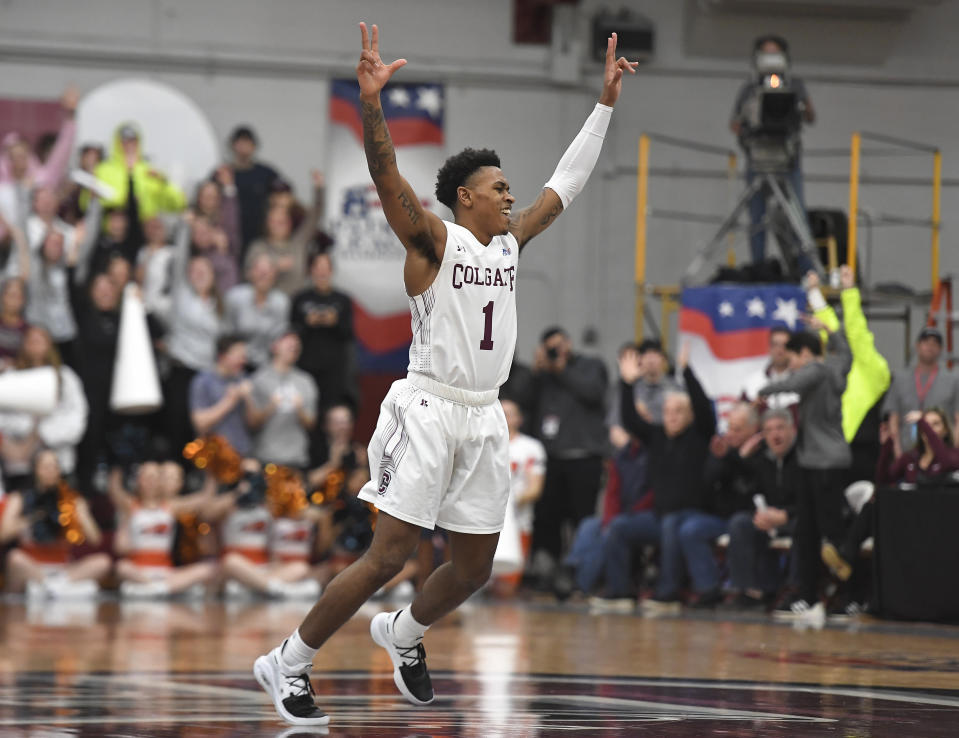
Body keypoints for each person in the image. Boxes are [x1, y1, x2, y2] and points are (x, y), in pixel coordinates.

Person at [253, 22, 636, 727]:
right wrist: (372, 104)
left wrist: (605, 102)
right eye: (497, 187)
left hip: (484, 413)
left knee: (471, 570)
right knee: (388, 556)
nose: (510, 194)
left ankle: (403, 634)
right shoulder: (433, 240)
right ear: (465, 198)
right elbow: (384, 174)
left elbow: (567, 184)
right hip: (428, 407)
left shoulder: (511, 244)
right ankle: (288, 661)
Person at [603, 343, 716, 613]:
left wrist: (686, 372)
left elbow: (702, 407)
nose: (672, 417)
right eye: (667, 412)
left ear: (689, 416)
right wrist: (628, 384)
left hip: (693, 513)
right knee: (618, 527)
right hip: (661, 516)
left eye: (678, 412)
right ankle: (619, 591)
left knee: (671, 523)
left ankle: (668, 594)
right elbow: (630, 421)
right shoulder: (656, 437)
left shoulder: (699, 436)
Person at [759, 323, 851, 620]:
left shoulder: (816, 370)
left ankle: (848, 596)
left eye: (793, 356)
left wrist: (762, 390)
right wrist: (832, 332)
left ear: (804, 354)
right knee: (811, 532)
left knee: (827, 536)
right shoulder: (835, 369)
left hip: (820, 463)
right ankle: (811, 597)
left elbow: (794, 383)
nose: (791, 363)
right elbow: (847, 354)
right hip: (822, 461)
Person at [529, 326, 608, 574]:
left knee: (583, 519)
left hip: (584, 457)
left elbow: (593, 392)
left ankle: (584, 571)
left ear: (570, 343)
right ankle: (549, 574)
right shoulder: (545, 376)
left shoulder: (591, 365)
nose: (557, 351)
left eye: (560, 344)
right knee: (547, 519)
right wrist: (537, 372)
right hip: (551, 458)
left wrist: (561, 370)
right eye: (551, 348)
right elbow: (528, 407)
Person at [730, 35, 815, 265]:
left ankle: (808, 270)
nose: (770, 60)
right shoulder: (749, 88)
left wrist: (798, 105)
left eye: (775, 54)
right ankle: (759, 269)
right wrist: (750, 114)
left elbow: (810, 116)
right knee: (757, 218)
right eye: (766, 54)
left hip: (788, 160)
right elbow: (735, 125)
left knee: (797, 216)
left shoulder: (795, 85)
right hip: (757, 160)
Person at [2, 449, 110, 598]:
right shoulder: (19, 498)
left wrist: (81, 513)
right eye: (45, 467)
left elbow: (95, 539)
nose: (51, 472)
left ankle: (51, 587)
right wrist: (32, 518)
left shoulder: (71, 500)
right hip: (32, 567)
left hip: (63, 570)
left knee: (102, 562)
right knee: (15, 558)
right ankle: (54, 588)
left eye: (55, 467)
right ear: (35, 470)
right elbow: (2, 535)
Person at [724, 408, 801, 610]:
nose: (775, 435)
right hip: (770, 518)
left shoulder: (804, 458)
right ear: (763, 436)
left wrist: (786, 515)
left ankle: (795, 591)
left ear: (792, 430)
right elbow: (746, 495)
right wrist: (743, 459)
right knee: (740, 523)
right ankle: (749, 591)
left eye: (780, 428)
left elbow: (813, 501)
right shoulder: (762, 461)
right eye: (769, 430)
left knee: (805, 527)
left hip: (798, 518)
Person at [0, 86, 78, 236]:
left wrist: (70, 117)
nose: (18, 161)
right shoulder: (2, 186)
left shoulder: (41, 180)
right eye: (13, 156)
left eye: (22, 155)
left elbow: (62, 151)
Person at [291, 249, 356, 423]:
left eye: (325, 267)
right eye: (317, 267)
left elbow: (349, 334)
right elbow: (292, 333)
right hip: (305, 367)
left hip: (334, 370)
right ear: (311, 271)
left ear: (331, 271)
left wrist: (334, 321)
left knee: (331, 413)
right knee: (307, 412)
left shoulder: (342, 300)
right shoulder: (300, 299)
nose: (321, 272)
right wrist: (307, 323)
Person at [246, 171, 325, 296]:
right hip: (268, 306)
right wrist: (274, 266)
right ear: (267, 224)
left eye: (282, 221)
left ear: (289, 223)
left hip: (297, 304)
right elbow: (246, 275)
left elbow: (315, 215)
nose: (278, 225)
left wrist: (319, 188)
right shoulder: (258, 247)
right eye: (273, 221)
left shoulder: (299, 242)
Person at [884, 326, 958, 457]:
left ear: (940, 349)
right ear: (917, 346)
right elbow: (893, 420)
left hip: (942, 454)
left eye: (935, 343)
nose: (930, 346)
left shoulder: (953, 380)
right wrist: (898, 455)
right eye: (926, 342)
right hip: (907, 452)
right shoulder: (900, 379)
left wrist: (954, 454)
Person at [248, 331, 319, 470]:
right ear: (274, 346)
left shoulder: (306, 381)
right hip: (266, 457)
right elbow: (251, 424)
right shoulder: (259, 379)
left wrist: (299, 410)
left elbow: (311, 424)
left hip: (296, 458)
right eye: (288, 342)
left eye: (296, 344)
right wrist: (271, 407)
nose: (294, 345)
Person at [92, 122, 187, 224]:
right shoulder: (103, 170)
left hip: (143, 232)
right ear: (117, 143)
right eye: (124, 141)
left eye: (133, 141)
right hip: (112, 233)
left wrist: (164, 182)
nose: (129, 145)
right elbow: (87, 202)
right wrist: (124, 201)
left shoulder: (150, 171)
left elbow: (178, 204)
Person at [219, 125, 284, 255]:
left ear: (254, 146)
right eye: (240, 142)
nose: (243, 146)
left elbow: (284, 194)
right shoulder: (223, 173)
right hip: (230, 236)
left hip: (260, 236)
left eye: (247, 142)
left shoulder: (266, 173)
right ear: (233, 145)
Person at [189, 335, 256, 458]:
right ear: (222, 356)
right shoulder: (203, 381)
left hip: (242, 452)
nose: (243, 361)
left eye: (244, 356)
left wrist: (248, 399)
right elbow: (200, 424)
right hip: (213, 455)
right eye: (239, 356)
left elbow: (253, 424)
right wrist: (229, 401)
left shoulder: (244, 379)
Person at [224, 252, 290, 369]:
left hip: (267, 364)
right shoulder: (235, 297)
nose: (263, 275)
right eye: (259, 270)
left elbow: (280, 337)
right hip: (237, 363)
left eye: (268, 271)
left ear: (274, 275)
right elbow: (227, 332)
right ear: (250, 273)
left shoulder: (281, 302)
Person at [740, 327, 797, 409]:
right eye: (775, 345)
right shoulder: (753, 381)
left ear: (792, 349)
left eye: (784, 345)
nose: (779, 350)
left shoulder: (802, 381)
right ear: (769, 348)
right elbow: (742, 414)